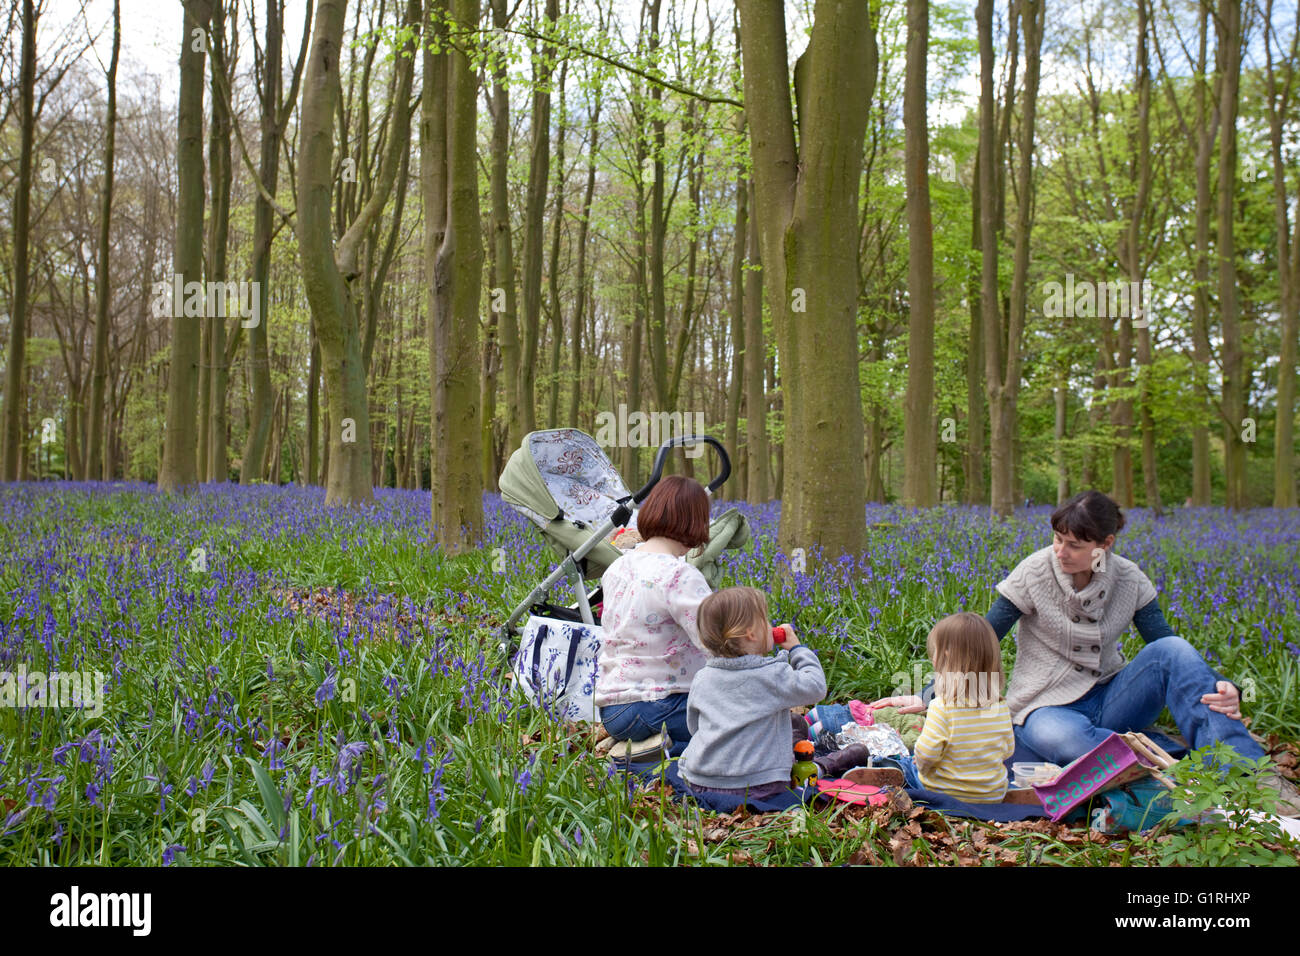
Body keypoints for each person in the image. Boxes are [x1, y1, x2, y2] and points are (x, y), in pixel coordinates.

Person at [872, 490, 1300, 815]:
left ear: (1105, 544)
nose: (1061, 551)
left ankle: (1249, 779)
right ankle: (1161, 761)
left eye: (1075, 545)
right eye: (1058, 539)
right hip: (1045, 705)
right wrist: (932, 693)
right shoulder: (1034, 572)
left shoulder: (1130, 579)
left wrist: (1221, 685)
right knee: (1057, 737)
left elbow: (1163, 643)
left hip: (1112, 695)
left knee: (1176, 649)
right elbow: (981, 637)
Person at [595, 475, 713, 748]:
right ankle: (644, 759)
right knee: (734, 724)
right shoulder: (680, 575)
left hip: (613, 709)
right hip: (660, 705)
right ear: (696, 523)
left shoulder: (616, 569)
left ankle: (638, 745)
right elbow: (715, 642)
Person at [678, 587, 826, 799]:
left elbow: (694, 727)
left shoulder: (702, 677)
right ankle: (826, 765)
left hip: (701, 781)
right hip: (759, 785)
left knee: (794, 724)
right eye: (765, 621)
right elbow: (816, 686)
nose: (770, 625)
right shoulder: (772, 674)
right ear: (752, 634)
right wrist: (797, 649)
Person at [884, 613, 1016, 803]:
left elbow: (927, 754)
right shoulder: (1001, 707)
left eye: (935, 651)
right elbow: (1007, 750)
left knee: (905, 763)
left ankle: (880, 768)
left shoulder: (942, 707)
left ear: (946, 657)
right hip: (992, 795)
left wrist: (919, 761)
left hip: (943, 791)